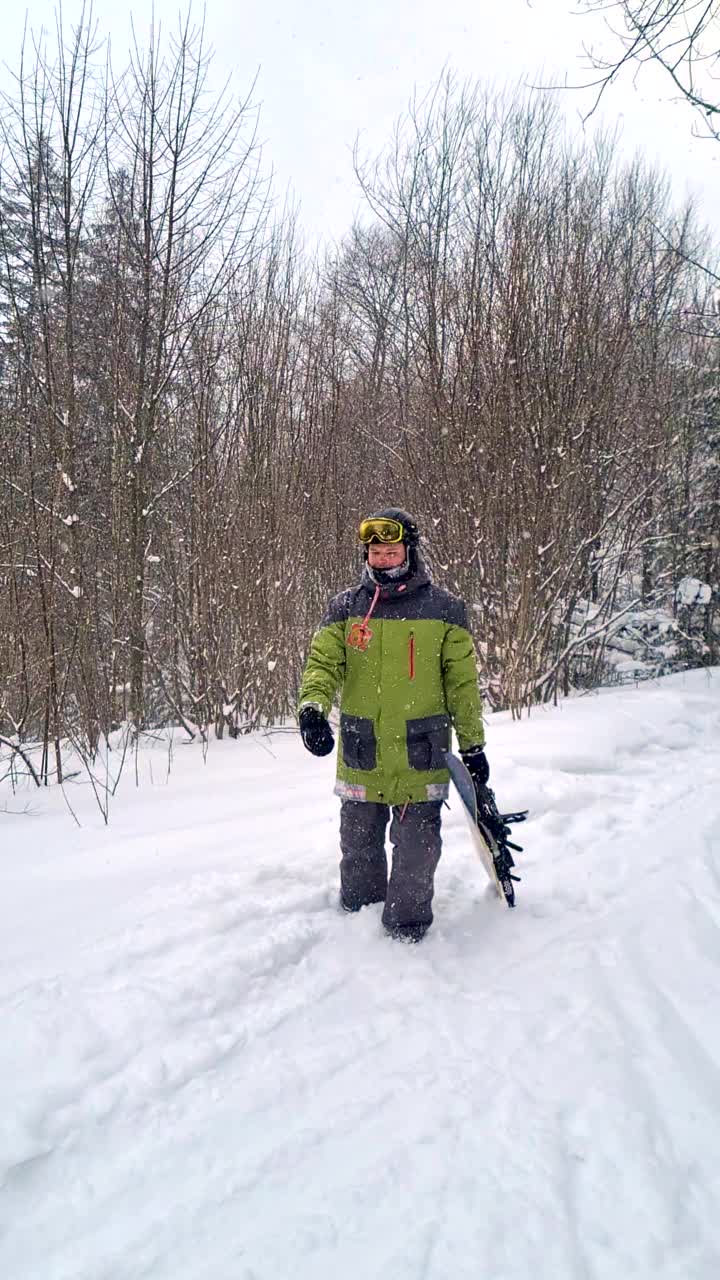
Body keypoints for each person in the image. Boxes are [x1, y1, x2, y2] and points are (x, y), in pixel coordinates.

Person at [297, 507, 491, 942]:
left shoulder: (444, 610)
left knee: (417, 853)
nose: (382, 559)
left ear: (409, 551)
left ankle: (406, 937)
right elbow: (323, 663)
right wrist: (312, 709)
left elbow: (462, 685)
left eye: (391, 550)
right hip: (362, 751)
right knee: (358, 847)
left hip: (420, 752)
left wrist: (473, 746)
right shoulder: (345, 608)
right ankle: (357, 931)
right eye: (375, 552)